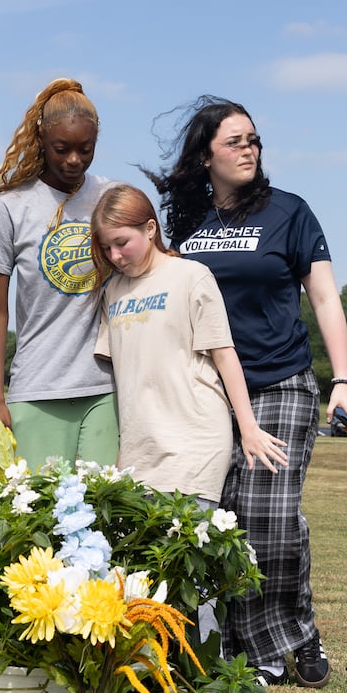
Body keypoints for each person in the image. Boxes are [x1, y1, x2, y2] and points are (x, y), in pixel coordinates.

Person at [144, 96, 347, 689]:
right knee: (230, 520)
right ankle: (293, 636)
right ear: (205, 154)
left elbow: (324, 299)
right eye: (234, 141)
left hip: (281, 380)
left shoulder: (289, 212)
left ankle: (266, 652)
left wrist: (343, 380)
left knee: (268, 514)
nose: (248, 150)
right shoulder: (186, 224)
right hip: (209, 392)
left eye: (254, 140)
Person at [90, 184, 288, 505]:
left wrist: (248, 428)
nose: (114, 256)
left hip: (194, 448)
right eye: (106, 247)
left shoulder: (192, 276)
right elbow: (117, 378)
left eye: (122, 243)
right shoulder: (112, 292)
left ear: (150, 229)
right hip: (138, 455)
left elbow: (224, 356)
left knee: (186, 552)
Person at [0, 79, 119, 467]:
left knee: (104, 518)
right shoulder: (11, 208)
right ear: (41, 141)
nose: (74, 161)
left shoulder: (112, 197)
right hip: (37, 390)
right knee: (42, 519)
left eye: (86, 150)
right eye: (61, 149)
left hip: (106, 389)